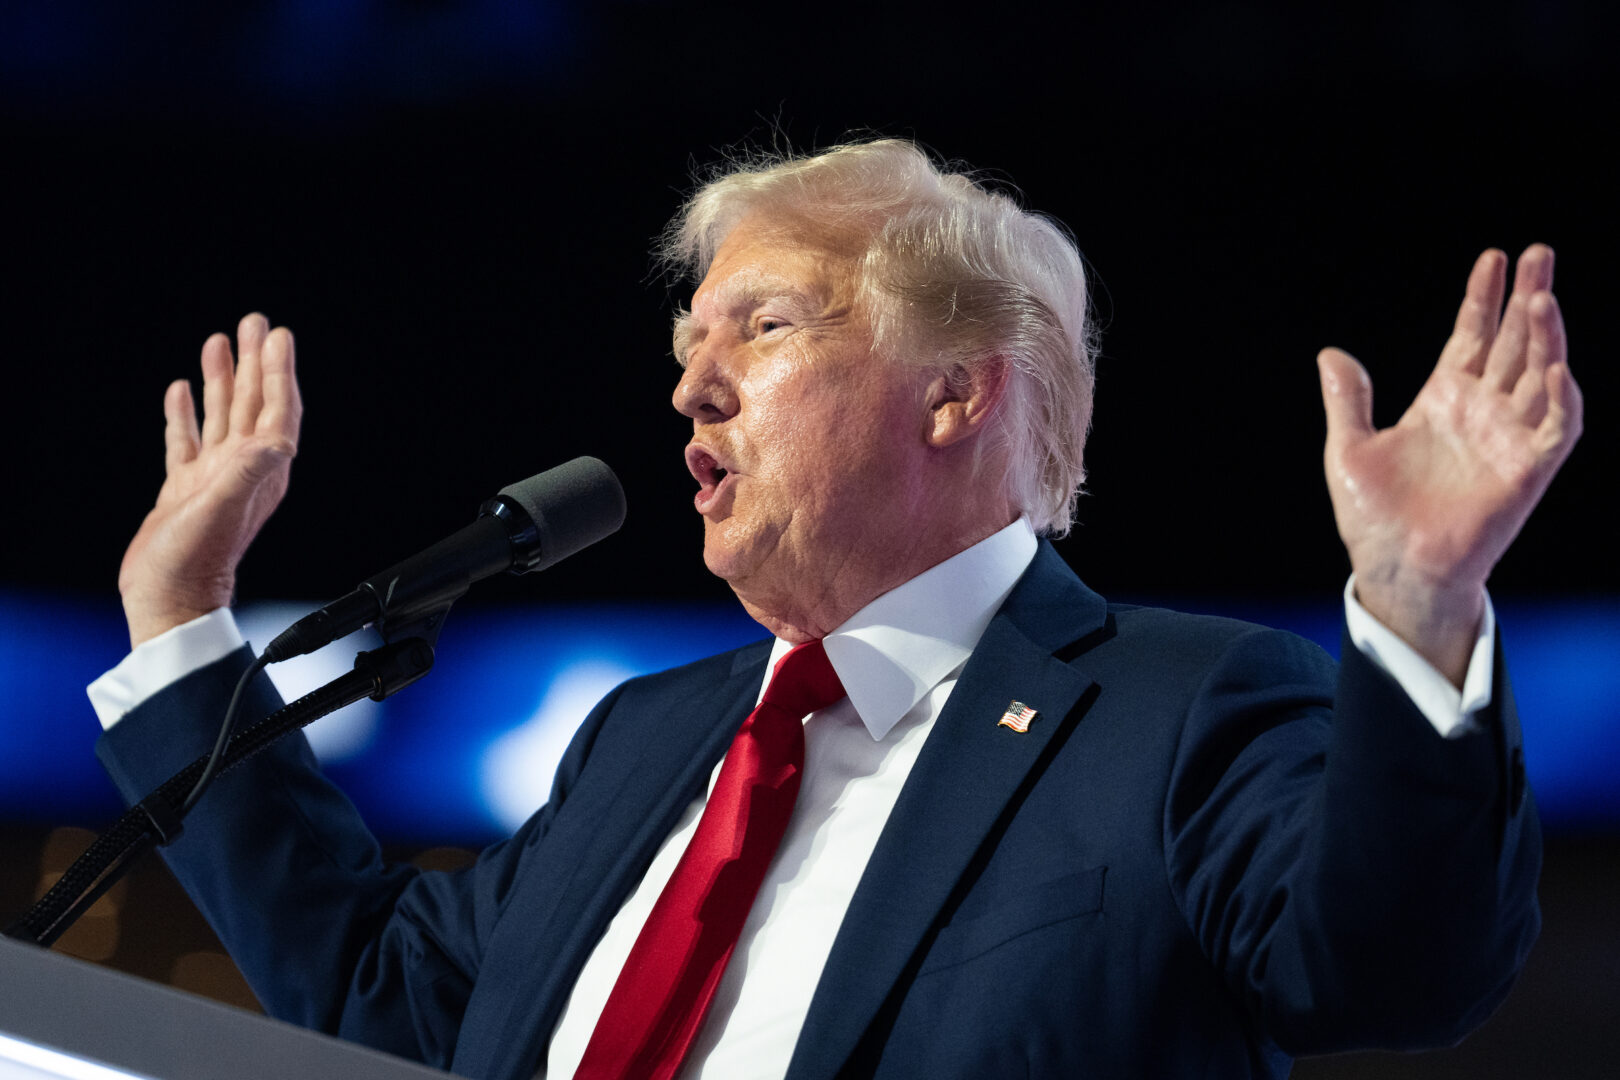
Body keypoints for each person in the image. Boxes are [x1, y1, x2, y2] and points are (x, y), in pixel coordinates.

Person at [89, 140, 1579, 1079]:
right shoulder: (645, 742)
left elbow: (1396, 968)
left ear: (955, 393)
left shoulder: (1184, 709)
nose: (692, 383)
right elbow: (386, 997)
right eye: (688, 340)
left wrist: (1419, 599)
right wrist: (179, 615)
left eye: (767, 325)